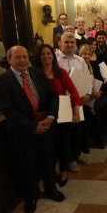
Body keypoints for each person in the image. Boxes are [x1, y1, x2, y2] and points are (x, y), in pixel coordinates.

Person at [0, 46, 64, 213]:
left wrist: (51, 117)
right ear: (9, 60)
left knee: (48, 159)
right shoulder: (0, 81)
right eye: (18, 57)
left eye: (25, 56)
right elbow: (8, 110)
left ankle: (50, 188)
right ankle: (32, 197)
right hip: (23, 132)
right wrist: (33, 127)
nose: (23, 60)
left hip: (45, 125)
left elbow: (53, 96)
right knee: (28, 165)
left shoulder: (37, 73)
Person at [33, 44, 82, 188]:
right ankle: (49, 170)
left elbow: (74, 92)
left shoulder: (60, 73)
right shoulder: (35, 74)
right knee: (48, 146)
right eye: (42, 54)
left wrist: (76, 112)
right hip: (44, 114)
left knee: (63, 143)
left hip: (62, 113)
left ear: (53, 56)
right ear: (38, 57)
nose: (46, 56)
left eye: (49, 53)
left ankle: (64, 170)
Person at [56, 32, 93, 171]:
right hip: (63, 101)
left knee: (78, 129)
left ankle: (77, 154)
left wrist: (88, 93)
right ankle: (69, 159)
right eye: (66, 42)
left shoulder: (80, 60)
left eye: (72, 42)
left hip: (78, 100)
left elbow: (87, 78)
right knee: (66, 132)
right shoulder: (55, 59)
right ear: (60, 43)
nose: (70, 45)